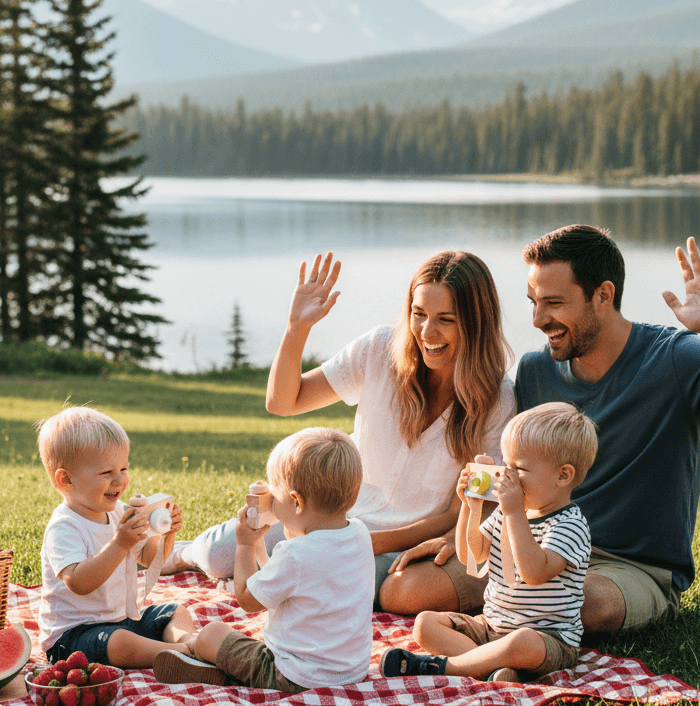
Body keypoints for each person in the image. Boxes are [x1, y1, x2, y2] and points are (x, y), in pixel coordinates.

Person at [384, 226, 700, 635]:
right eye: (533, 301)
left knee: (582, 604)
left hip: (628, 567)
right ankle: (505, 624)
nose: (537, 319)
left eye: (553, 303)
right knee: (405, 591)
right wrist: (463, 531)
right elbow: (520, 474)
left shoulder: (676, 359)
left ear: (603, 295)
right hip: (534, 544)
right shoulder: (536, 371)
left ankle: (501, 627)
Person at [163, 250, 517, 610]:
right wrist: (296, 327)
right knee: (216, 552)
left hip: (396, 543)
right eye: (419, 314)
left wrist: (361, 541)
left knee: (322, 585)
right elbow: (283, 402)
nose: (427, 332)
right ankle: (182, 553)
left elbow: (457, 514)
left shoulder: (497, 399)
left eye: (446, 319)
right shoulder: (380, 350)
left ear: (475, 323)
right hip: (322, 515)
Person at [380, 402, 596, 682]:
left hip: (548, 638)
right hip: (491, 625)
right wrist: (470, 507)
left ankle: (444, 667)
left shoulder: (569, 525)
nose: (506, 475)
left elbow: (534, 572)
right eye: (506, 464)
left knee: (522, 643)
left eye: (519, 469)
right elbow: (472, 554)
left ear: (562, 476)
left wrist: (514, 512)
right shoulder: (511, 512)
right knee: (425, 624)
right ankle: (491, 667)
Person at [153, 427, 374, 691]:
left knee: (211, 635)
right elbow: (299, 576)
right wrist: (269, 541)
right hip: (351, 672)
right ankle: (220, 670)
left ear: (297, 502)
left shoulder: (295, 555)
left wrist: (245, 544)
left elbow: (247, 599)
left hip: (295, 677)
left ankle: (206, 662)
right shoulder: (360, 533)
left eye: (275, 494)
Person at [36, 406, 198, 668]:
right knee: (120, 642)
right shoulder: (64, 526)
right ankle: (181, 653)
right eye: (106, 473)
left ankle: (189, 643)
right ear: (65, 479)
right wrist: (120, 543)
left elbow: (147, 558)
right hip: (73, 638)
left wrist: (164, 533)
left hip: (120, 620)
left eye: (124, 468)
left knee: (174, 612)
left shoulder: (118, 512)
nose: (120, 480)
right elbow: (79, 582)